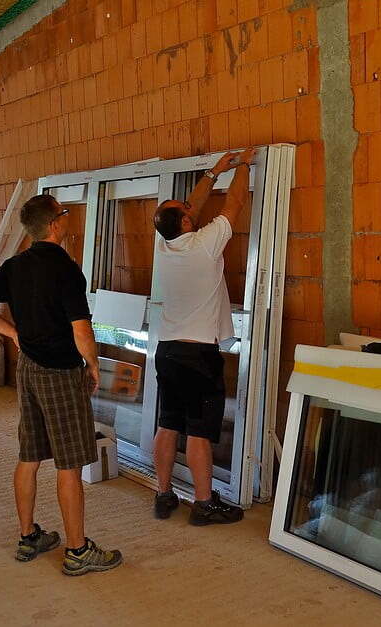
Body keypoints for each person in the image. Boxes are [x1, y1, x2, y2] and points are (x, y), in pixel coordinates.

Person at [0, 194, 123, 576]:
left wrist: (13, 334)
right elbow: (81, 329)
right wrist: (93, 363)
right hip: (61, 373)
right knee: (69, 464)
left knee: (29, 456)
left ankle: (28, 536)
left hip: (28, 369)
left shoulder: (15, 265)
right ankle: (78, 550)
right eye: (64, 213)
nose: (67, 218)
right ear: (54, 224)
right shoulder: (66, 269)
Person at [150, 150, 255, 525]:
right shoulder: (205, 244)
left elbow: (189, 208)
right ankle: (204, 503)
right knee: (198, 431)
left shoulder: (165, 244)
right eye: (186, 210)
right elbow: (235, 203)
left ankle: (164, 494)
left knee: (168, 424)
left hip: (168, 352)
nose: (191, 208)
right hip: (198, 358)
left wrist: (214, 172)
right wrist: (244, 166)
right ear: (185, 221)